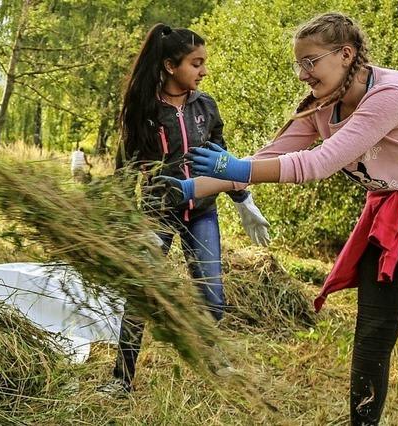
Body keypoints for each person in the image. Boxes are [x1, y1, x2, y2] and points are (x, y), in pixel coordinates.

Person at [148, 12, 398, 425]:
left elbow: (318, 163)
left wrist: (238, 170)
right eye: (299, 64)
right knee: (372, 332)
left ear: (346, 54)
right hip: (392, 206)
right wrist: (190, 189)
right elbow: (266, 157)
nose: (303, 74)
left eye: (311, 61)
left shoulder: (392, 94)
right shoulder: (319, 108)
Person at [97, 23, 271, 397]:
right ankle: (121, 379)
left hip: (203, 212)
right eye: (196, 63)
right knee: (140, 295)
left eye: (204, 62)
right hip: (156, 214)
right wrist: (124, 223)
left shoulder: (205, 107)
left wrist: (244, 201)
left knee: (213, 299)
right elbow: (125, 168)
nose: (204, 70)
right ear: (170, 66)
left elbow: (222, 161)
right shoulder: (142, 111)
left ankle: (210, 355)